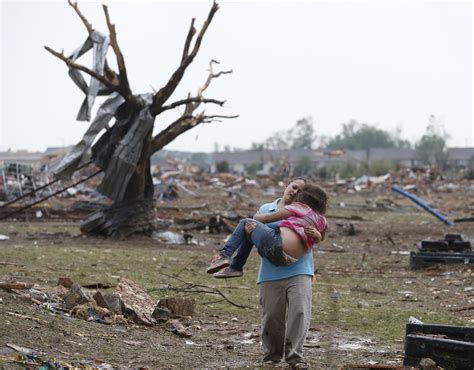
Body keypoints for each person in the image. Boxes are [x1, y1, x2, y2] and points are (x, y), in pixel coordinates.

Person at [211, 178, 323, 367]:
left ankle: (295, 358)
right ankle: (272, 356)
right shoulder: (266, 209)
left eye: (301, 190)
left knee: (300, 313)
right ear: (286, 185)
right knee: (272, 317)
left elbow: (319, 234)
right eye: (294, 187)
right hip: (271, 272)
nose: (295, 192)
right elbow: (256, 234)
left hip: (300, 270)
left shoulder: (308, 211)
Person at [206, 183, 328, 275]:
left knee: (246, 223)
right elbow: (321, 238)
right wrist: (316, 235)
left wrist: (256, 216)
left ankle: (224, 256)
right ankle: (235, 268)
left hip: (278, 247)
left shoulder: (298, 207)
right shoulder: (322, 220)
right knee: (250, 230)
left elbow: (265, 219)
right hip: (290, 259)